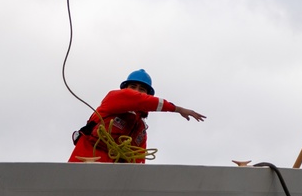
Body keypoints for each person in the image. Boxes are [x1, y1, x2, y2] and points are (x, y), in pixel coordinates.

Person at [68, 69, 206, 163]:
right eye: (133, 86)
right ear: (125, 88)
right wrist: (177, 109)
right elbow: (137, 99)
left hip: (112, 177)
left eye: (141, 89)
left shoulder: (139, 128)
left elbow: (139, 160)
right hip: (85, 161)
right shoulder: (113, 98)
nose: (136, 91)